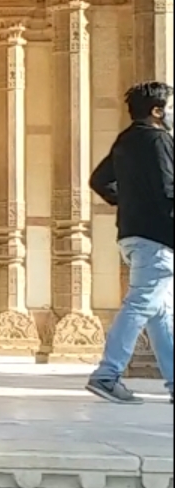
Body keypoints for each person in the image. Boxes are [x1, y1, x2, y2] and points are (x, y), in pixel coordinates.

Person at [85, 80, 173, 404]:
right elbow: (168, 190)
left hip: (132, 234)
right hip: (157, 236)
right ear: (157, 110)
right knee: (140, 304)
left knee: (160, 311)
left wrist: (129, 203)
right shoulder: (159, 139)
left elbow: (99, 180)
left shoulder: (126, 140)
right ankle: (107, 375)